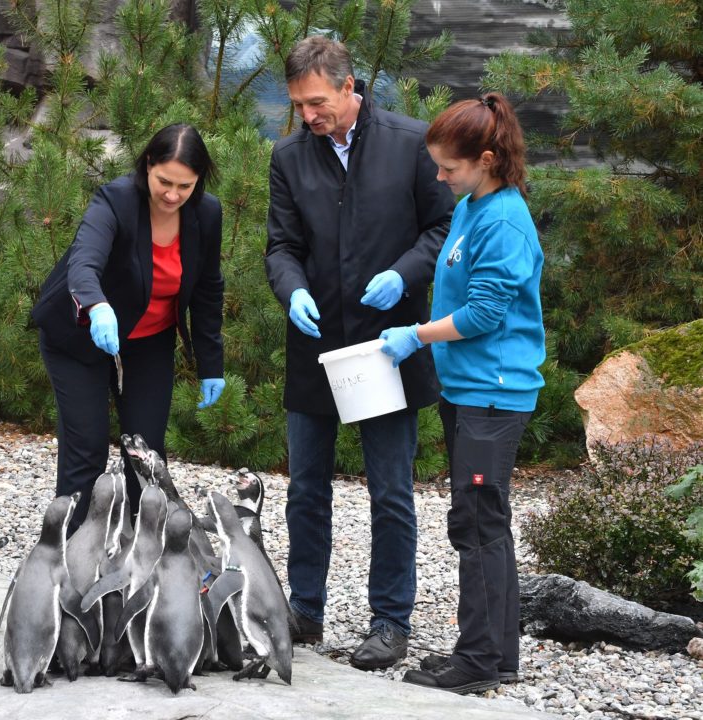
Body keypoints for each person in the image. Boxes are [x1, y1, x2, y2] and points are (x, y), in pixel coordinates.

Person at [264, 35, 455, 669]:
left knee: (390, 489)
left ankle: (391, 620)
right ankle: (305, 610)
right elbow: (281, 247)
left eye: (316, 103)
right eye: (297, 105)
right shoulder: (290, 156)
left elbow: (444, 229)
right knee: (305, 489)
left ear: (350, 87)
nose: (307, 117)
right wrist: (290, 290)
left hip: (387, 345)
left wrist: (405, 273)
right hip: (316, 345)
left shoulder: (411, 144)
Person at [380, 93, 545, 694]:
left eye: (449, 168)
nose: (441, 178)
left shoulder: (503, 220)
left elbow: (482, 313)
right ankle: (497, 656)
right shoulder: (477, 205)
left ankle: (475, 662)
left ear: (487, 158)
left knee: (474, 523)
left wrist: (416, 335)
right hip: (468, 390)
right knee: (485, 521)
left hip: (492, 396)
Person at [31, 123, 226, 533]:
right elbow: (84, 263)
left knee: (147, 455)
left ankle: (146, 555)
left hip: (150, 341)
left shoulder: (207, 214)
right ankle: (66, 555)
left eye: (185, 186)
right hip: (81, 337)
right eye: (164, 182)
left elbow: (208, 289)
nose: (173, 195)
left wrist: (211, 364)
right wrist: (97, 305)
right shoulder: (116, 200)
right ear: (147, 166)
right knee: (86, 453)